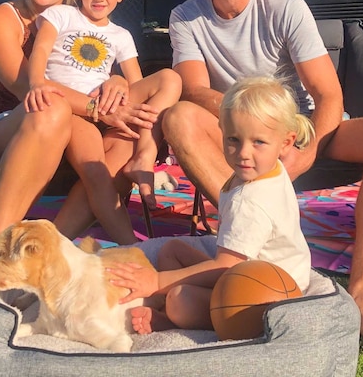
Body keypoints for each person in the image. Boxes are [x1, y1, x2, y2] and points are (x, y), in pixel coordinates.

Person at [159, 0, 363, 359]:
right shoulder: (186, 16)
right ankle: (244, 251)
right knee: (177, 116)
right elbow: (195, 89)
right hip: (241, 139)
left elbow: (327, 94)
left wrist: (308, 149)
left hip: (300, 128)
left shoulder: (285, 6)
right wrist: (251, 125)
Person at [0, 0, 160, 244]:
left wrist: (115, 81)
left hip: (78, 125)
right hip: (13, 122)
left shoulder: (86, 24)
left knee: (129, 135)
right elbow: (28, 89)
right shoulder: (2, 17)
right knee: (51, 107)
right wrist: (99, 109)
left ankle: (56, 244)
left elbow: (91, 73)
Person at [106, 75, 313, 332]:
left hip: (270, 295)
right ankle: (159, 306)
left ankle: (169, 314)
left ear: (286, 143)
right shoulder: (268, 168)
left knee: (181, 300)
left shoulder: (251, 202)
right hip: (254, 273)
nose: (244, 153)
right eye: (233, 140)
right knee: (172, 250)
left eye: (258, 142)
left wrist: (158, 280)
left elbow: (227, 266)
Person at [25, 0, 181, 241]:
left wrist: (119, 81)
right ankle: (130, 245)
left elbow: (137, 83)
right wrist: (36, 82)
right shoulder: (61, 15)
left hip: (111, 110)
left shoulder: (120, 34)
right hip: (73, 110)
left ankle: (145, 155)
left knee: (169, 78)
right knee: (100, 174)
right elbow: (41, 50)